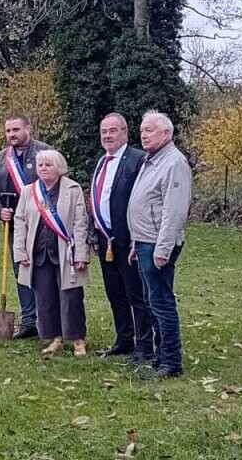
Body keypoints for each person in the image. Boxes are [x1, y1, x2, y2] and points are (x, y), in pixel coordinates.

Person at [126, 111, 193, 378]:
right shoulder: (151, 160)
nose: (143, 134)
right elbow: (144, 204)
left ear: (166, 134)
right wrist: (135, 241)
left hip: (157, 244)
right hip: (144, 241)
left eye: (150, 130)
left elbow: (174, 211)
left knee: (161, 302)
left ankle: (171, 362)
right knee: (150, 300)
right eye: (142, 129)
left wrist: (162, 249)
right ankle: (158, 356)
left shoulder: (174, 163)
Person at [87, 113, 152, 363]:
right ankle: (123, 339)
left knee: (136, 293)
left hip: (130, 238)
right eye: (104, 131)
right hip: (106, 240)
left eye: (113, 130)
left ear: (125, 132)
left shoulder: (137, 160)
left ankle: (144, 345)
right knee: (115, 293)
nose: (107, 135)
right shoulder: (102, 161)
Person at [12, 149, 90, 356]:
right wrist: (20, 252)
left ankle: (77, 339)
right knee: (45, 298)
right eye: (40, 165)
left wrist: (81, 254)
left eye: (49, 165)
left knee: (71, 297)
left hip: (66, 253)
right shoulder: (30, 191)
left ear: (59, 167)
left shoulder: (72, 189)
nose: (44, 169)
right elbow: (20, 222)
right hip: (38, 253)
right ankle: (54, 337)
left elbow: (81, 223)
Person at [0, 114, 51, 339]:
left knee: (44, 273)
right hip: (14, 226)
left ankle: (48, 321)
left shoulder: (44, 152)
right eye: (8, 131)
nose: (11, 135)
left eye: (16, 130)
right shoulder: (1, 157)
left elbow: (55, 186)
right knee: (22, 272)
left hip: (43, 225)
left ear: (28, 128)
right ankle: (28, 321)